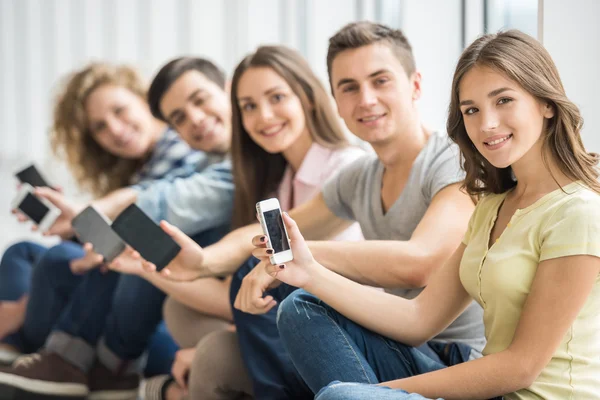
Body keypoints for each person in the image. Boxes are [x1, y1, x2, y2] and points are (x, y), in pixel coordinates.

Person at [138, 22, 485, 399]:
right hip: (403, 347)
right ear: (335, 100)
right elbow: (268, 230)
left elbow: (422, 262)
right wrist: (203, 261)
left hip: (456, 361)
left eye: (380, 81)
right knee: (289, 307)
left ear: (415, 85)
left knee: (301, 304)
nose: (365, 99)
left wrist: (296, 256)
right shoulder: (359, 177)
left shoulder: (454, 161)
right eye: (349, 88)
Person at [266, 29, 600, 400]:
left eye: (503, 100)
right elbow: (418, 319)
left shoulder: (578, 212)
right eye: (471, 110)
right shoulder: (491, 207)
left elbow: (520, 367)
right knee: (304, 311)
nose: (486, 123)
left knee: (343, 397)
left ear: (546, 103)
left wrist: (372, 392)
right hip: (488, 393)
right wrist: (310, 273)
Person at [138, 45, 364, 400]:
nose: (264, 116)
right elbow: (251, 249)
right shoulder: (277, 179)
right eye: (249, 107)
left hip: (341, 330)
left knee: (212, 353)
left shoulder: (346, 170)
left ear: (306, 95)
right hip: (287, 322)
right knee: (181, 312)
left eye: (276, 97)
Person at [0, 58, 234, 399]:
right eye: (100, 127)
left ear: (147, 104)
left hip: (158, 317)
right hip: (139, 292)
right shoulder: (152, 166)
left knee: (61, 261)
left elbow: (164, 203)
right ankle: (26, 352)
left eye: (120, 111)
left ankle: (49, 356)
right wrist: (87, 229)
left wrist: (94, 221)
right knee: (26, 253)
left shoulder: (192, 154)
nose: (115, 129)